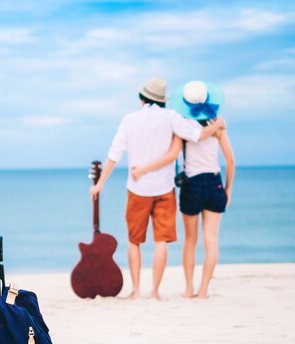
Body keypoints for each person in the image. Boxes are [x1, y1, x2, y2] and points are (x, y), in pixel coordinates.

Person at [90, 77, 225, 300]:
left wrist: (99, 184)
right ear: (163, 100)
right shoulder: (171, 117)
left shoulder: (129, 119)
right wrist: (218, 125)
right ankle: (155, 291)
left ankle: (136, 291)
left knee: (135, 241)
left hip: (137, 188)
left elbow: (114, 155)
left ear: (142, 98)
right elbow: (197, 135)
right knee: (160, 242)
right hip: (164, 189)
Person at [131, 80, 235, 299]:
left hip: (192, 185)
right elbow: (230, 160)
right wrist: (228, 189)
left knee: (190, 240)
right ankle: (204, 290)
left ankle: (188, 289)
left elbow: (172, 154)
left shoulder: (183, 127)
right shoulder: (218, 125)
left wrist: (144, 168)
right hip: (215, 182)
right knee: (211, 240)